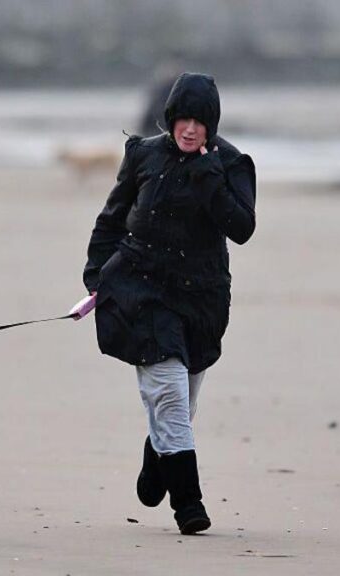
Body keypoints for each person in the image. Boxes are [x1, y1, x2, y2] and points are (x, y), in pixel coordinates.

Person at [82, 72, 256, 535]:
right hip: (142, 288)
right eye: (183, 117)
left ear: (211, 124)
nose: (190, 128)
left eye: (200, 120)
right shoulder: (143, 154)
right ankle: (189, 504)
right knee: (170, 395)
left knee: (184, 398)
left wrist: (208, 178)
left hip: (202, 295)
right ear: (171, 117)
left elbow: (242, 227)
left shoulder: (233, 164)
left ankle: (158, 454)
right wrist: (98, 276)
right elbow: (112, 218)